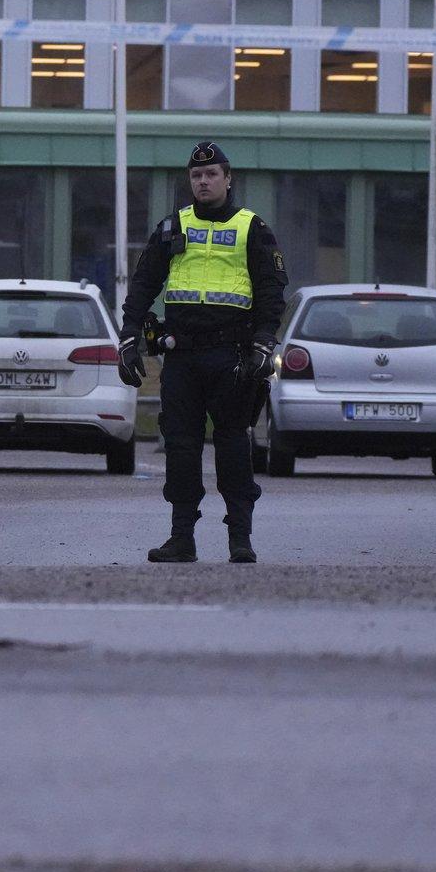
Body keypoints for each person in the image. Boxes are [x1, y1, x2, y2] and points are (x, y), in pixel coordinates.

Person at [117, 141, 288, 564]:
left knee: (233, 447)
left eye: (212, 174)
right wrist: (128, 335)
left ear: (228, 179)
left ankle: (240, 539)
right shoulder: (172, 227)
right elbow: (143, 285)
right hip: (182, 358)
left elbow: (272, 292)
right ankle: (181, 539)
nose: (203, 181)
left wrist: (264, 342)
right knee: (180, 447)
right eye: (196, 175)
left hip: (233, 358)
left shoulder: (252, 228)